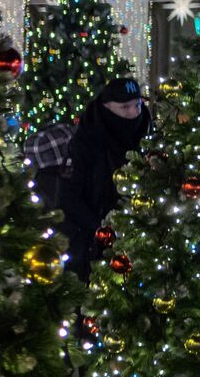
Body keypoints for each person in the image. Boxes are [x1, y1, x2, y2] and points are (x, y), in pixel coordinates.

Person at [27, 78, 150, 282]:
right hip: (93, 241)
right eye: (125, 107)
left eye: (137, 104)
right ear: (107, 108)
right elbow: (68, 198)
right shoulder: (85, 142)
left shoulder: (146, 133)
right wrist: (104, 230)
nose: (134, 113)